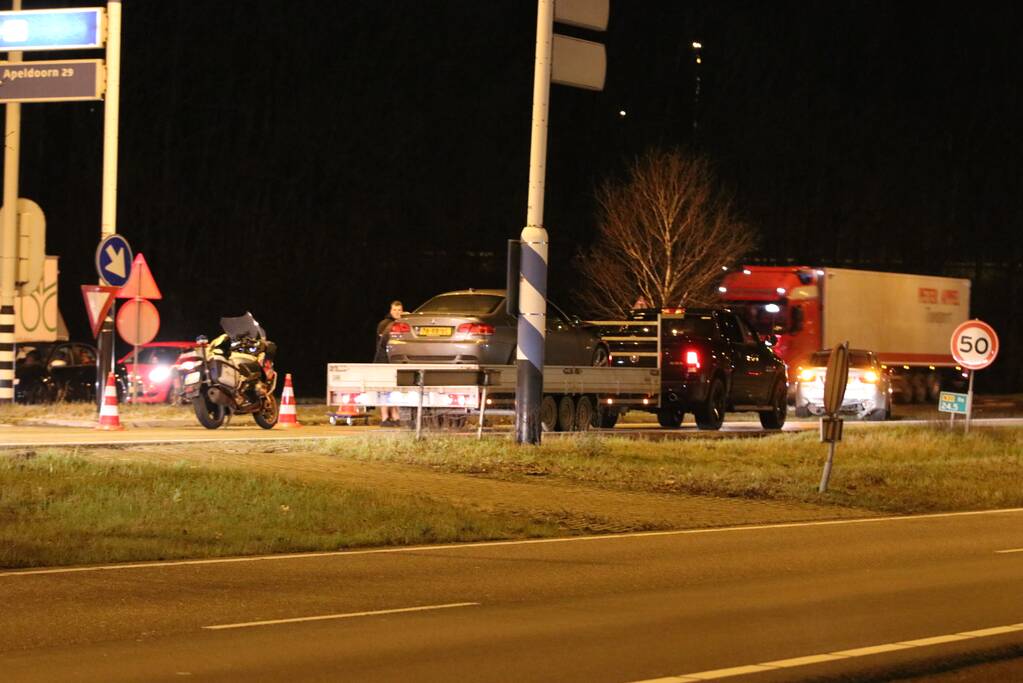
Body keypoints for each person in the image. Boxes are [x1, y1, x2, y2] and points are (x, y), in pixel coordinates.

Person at [374, 300, 404, 426]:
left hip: (393, 361)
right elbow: (383, 344)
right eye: (395, 310)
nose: (397, 312)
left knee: (393, 390)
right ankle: (385, 417)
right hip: (383, 361)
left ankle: (395, 417)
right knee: (384, 390)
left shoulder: (400, 324)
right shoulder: (385, 324)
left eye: (399, 310)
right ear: (391, 311)